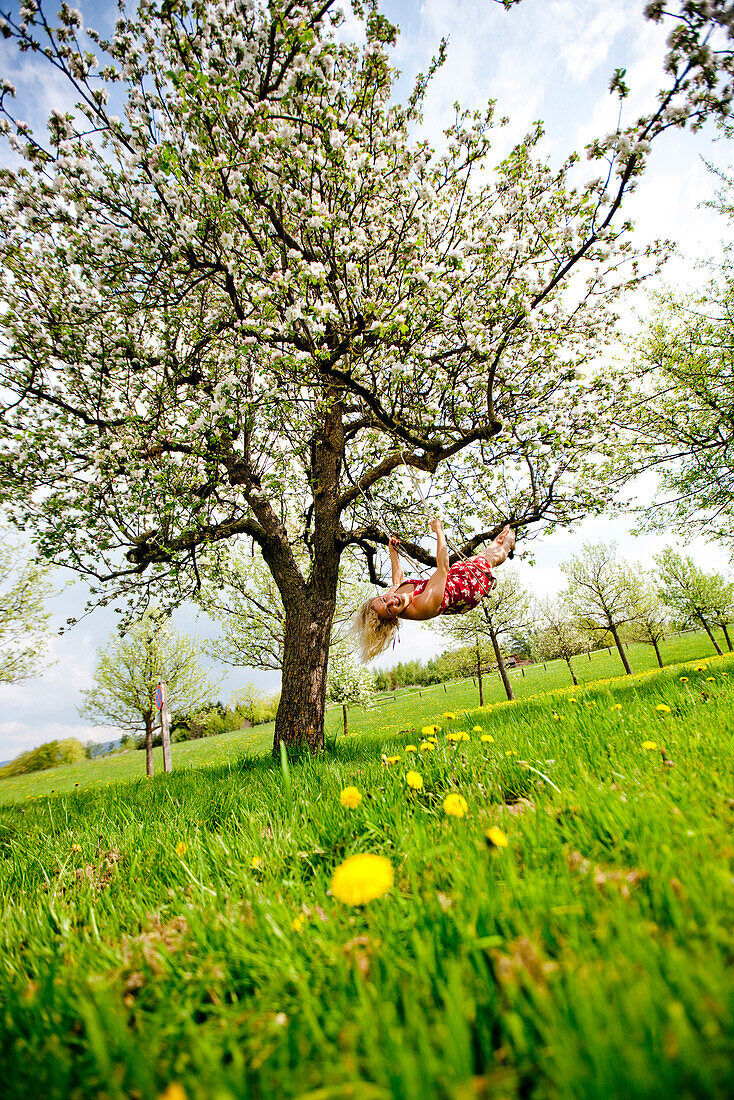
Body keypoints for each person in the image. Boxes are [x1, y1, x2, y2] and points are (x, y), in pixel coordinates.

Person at [352, 518, 516, 661]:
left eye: (384, 599)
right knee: (487, 560)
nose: (392, 600)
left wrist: (393, 552)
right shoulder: (422, 606)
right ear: (393, 620)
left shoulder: (393, 596)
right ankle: (508, 542)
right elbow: (443, 568)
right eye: (389, 609)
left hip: (453, 579)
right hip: (467, 590)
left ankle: (502, 537)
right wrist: (439, 531)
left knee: (481, 555)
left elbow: (398, 580)